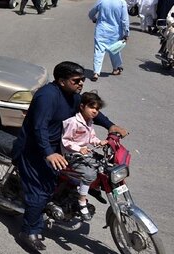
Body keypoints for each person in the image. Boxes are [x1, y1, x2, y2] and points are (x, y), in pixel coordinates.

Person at [12, 61, 127, 251]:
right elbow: (39, 127)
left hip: (59, 145)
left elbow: (89, 111)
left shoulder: (71, 96)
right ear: (61, 81)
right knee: (41, 191)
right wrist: (48, 153)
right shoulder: (47, 97)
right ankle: (28, 231)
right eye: (76, 80)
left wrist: (110, 125)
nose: (81, 83)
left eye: (82, 80)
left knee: (83, 171)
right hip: (34, 150)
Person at [61, 91, 108, 221]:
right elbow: (65, 141)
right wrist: (79, 148)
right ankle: (82, 201)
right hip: (71, 155)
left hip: (84, 153)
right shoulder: (73, 122)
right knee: (89, 174)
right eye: (91, 107)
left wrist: (99, 142)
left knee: (103, 165)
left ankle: (92, 188)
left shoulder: (89, 122)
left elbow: (91, 137)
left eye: (97, 109)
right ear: (82, 106)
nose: (95, 111)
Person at [88, 0, 129, 81]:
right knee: (114, 49)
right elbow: (125, 20)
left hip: (101, 30)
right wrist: (126, 33)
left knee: (99, 51)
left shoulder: (102, 1)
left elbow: (91, 13)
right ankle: (115, 69)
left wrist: (94, 18)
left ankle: (96, 73)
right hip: (115, 31)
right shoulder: (122, 2)